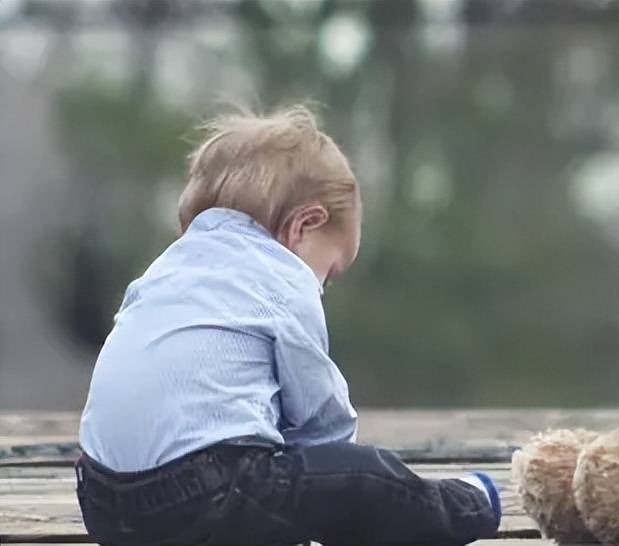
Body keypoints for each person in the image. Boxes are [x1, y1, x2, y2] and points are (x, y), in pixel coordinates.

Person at [75, 106, 501, 546]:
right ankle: (468, 505)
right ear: (304, 224)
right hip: (204, 496)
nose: (322, 289)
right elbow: (322, 423)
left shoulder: (164, 270)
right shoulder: (281, 277)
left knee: (268, 483)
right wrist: (333, 480)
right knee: (365, 477)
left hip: (104, 503)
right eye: (330, 273)